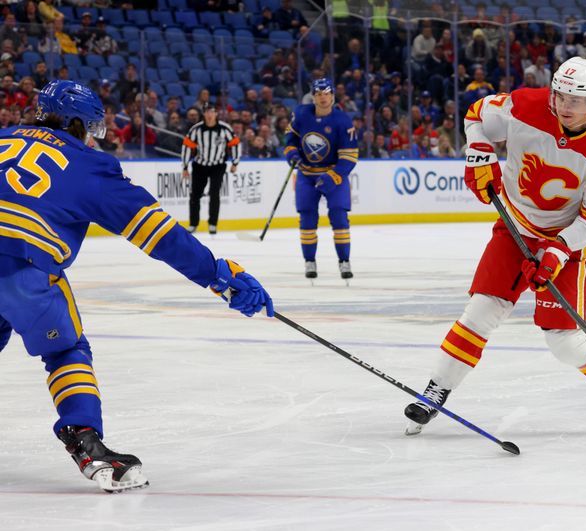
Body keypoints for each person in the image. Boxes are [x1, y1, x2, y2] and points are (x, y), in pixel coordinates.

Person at [0, 80, 273, 493]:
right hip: (24, 269)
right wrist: (219, 275)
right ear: (77, 124)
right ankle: (85, 441)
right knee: (64, 349)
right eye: (91, 129)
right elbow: (159, 235)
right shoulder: (90, 166)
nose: (92, 138)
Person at [403, 57, 586, 438]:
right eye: (560, 95)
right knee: (480, 310)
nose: (564, 105)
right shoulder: (526, 105)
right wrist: (479, 153)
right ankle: (436, 390)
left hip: (566, 240)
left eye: (575, 100)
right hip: (514, 226)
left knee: (564, 341)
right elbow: (477, 114)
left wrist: (558, 250)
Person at [283, 78, 358, 280]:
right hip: (307, 175)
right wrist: (293, 155)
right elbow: (289, 141)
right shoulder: (300, 114)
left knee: (339, 217)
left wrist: (332, 176)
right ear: (313, 96)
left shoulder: (343, 121)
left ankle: (344, 261)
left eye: (327, 94)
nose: (323, 98)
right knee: (307, 217)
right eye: (319, 94)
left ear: (333, 96)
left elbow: (349, 157)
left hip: (333, 175)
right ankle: (310, 261)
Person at [181, 102, 241, 235]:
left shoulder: (224, 129)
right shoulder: (196, 129)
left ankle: (213, 224)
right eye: (207, 112)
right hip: (200, 166)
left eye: (212, 112)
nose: (209, 115)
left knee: (214, 194)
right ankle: (193, 224)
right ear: (203, 114)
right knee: (195, 195)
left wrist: (235, 163)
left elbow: (235, 144)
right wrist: (185, 166)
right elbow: (186, 147)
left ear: (216, 113)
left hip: (218, 166)